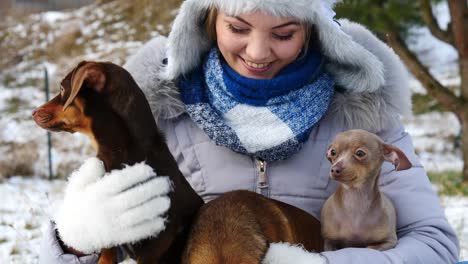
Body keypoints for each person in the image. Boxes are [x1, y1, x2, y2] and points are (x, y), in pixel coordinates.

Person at [40, 0, 460, 263]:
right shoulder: (152, 111)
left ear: (313, 29)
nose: (258, 53)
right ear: (207, 19)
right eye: (238, 28)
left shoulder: (363, 114)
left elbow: (435, 247)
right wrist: (76, 239)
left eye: (283, 33)